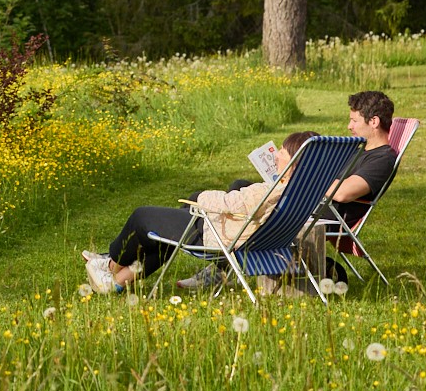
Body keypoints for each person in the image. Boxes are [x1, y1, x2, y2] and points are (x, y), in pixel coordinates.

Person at [83, 130, 319, 295]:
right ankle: (117, 282)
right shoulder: (303, 191)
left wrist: (201, 197)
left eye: (283, 151)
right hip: (246, 239)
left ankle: (110, 264)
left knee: (142, 217)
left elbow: (231, 203)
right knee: (166, 235)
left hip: (218, 237)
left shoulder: (270, 191)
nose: (277, 154)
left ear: (295, 163)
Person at [332, 89, 398, 223]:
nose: (349, 126)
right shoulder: (358, 150)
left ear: (374, 121)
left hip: (324, 217)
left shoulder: (382, 159)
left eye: (354, 121)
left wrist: (308, 179)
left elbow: (342, 193)